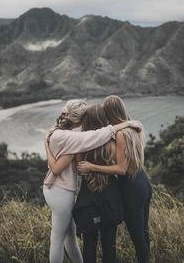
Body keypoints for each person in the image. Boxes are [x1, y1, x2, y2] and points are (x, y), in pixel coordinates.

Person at [43, 99, 139, 263]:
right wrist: (127, 124)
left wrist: (47, 149)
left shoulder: (55, 132)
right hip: (61, 190)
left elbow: (88, 142)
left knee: (71, 237)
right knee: (58, 240)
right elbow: (95, 137)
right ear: (78, 119)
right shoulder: (70, 139)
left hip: (57, 190)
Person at [77, 95, 152, 263]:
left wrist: (91, 167)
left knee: (136, 233)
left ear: (109, 113)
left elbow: (121, 169)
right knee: (144, 231)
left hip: (131, 186)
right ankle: (146, 258)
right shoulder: (135, 128)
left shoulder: (119, 135)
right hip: (143, 181)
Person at [73, 104, 124, 263]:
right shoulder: (112, 143)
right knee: (110, 245)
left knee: (89, 245)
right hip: (110, 199)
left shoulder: (79, 145)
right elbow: (119, 168)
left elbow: (80, 170)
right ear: (103, 120)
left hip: (88, 200)